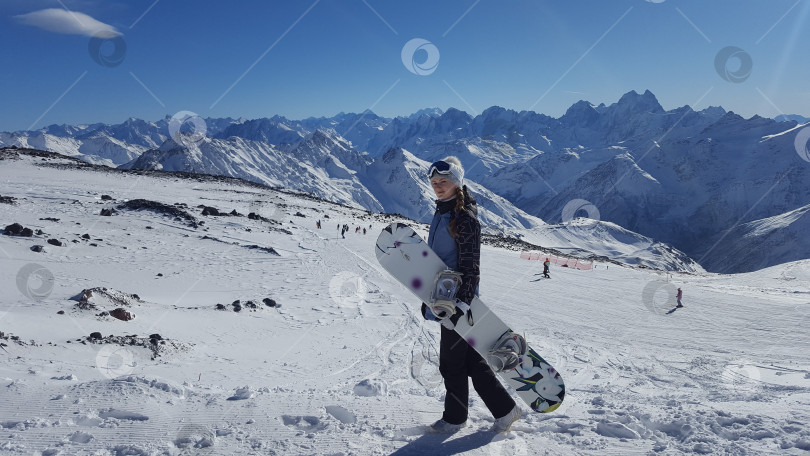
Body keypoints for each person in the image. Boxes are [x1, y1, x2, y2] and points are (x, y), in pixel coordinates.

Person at [419, 156, 521, 434]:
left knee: (451, 363)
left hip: (457, 303)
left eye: (444, 181)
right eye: (435, 182)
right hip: (446, 300)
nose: (438, 186)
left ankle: (455, 418)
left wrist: (460, 304)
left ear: (457, 183)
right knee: (471, 361)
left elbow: (470, 266)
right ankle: (505, 411)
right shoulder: (442, 212)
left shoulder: (463, 218)